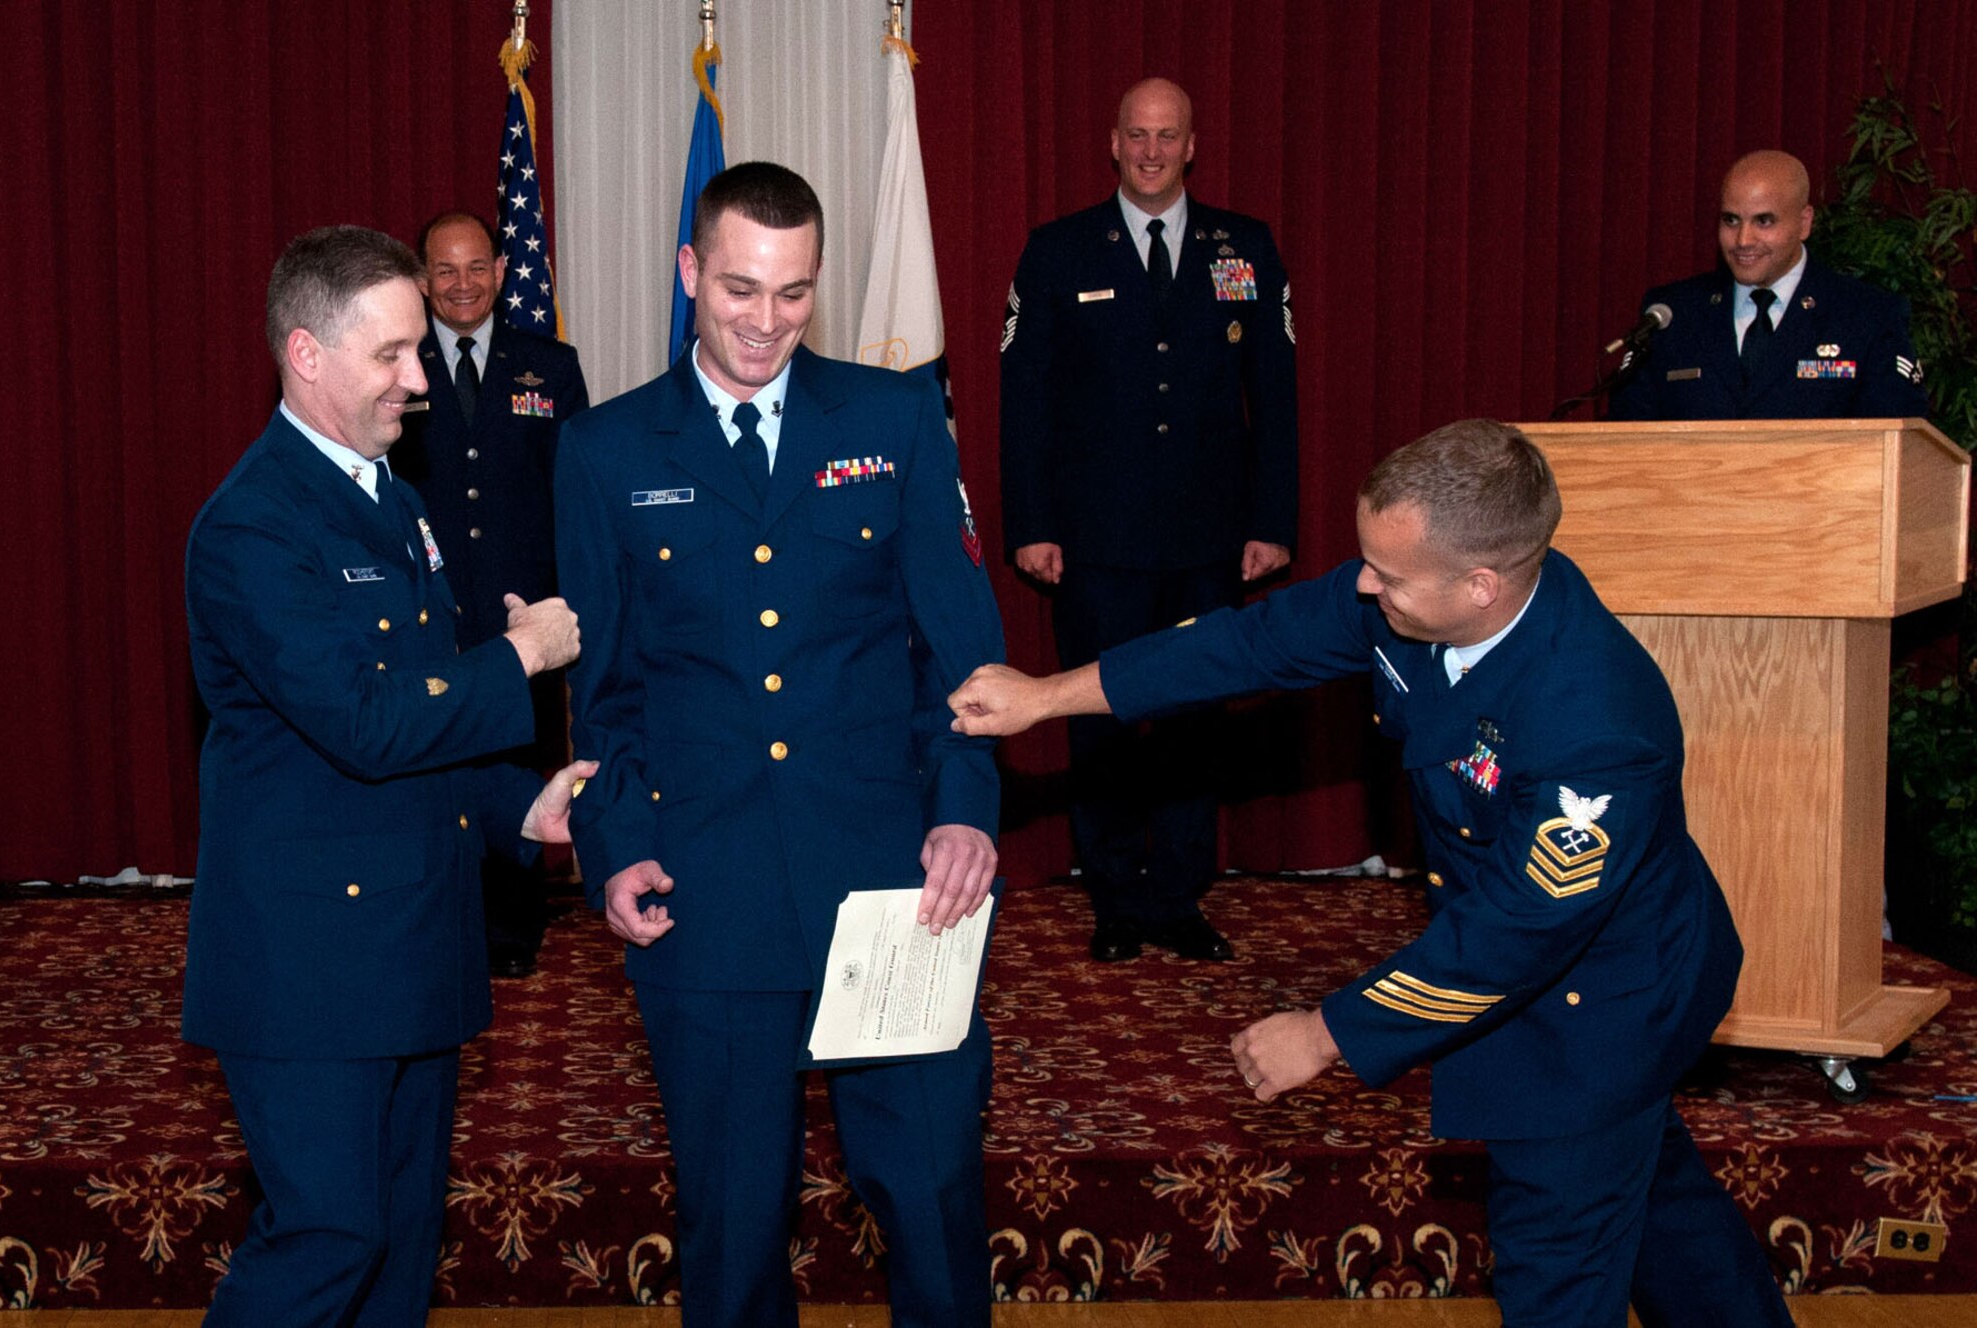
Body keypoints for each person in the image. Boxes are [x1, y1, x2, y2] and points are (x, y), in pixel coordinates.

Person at [949, 419, 1795, 1328]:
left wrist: (1325, 1033)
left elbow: (1512, 936)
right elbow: (1248, 643)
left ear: (1482, 584)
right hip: (1532, 949)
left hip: (1608, 997)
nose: (1361, 585)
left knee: (1557, 1254)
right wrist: (1046, 696)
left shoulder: (1596, 717)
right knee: (1655, 1201)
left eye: (1387, 576)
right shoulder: (1418, 599)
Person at [554, 162, 1005, 1328]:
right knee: (734, 1217)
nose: (765, 322)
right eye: (741, 289)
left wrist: (962, 804)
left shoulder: (893, 416)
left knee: (931, 1195)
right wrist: (615, 845)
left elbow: (959, 658)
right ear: (690, 272)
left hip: (892, 884)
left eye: (794, 294)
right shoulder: (605, 450)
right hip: (707, 890)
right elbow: (604, 695)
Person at [183, 224, 593, 1326]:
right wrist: (518, 656)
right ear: (307, 353)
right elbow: (364, 724)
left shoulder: (391, 502)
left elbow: (423, 726)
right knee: (328, 1233)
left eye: (419, 352)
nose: (420, 380)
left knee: (403, 1238)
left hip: (415, 935)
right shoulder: (254, 526)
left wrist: (520, 800)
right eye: (393, 356)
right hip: (311, 959)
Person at [999, 76, 1299, 963]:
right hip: (1096, 543)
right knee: (1097, 717)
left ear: (1193, 144)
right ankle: (1115, 898)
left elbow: (1274, 397)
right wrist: (1033, 524)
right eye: (1138, 135)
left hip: (1210, 541)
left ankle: (1177, 896)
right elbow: (1027, 404)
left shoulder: (1242, 247)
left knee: (1195, 716)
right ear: (1114, 141)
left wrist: (1272, 519)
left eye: (1168, 136)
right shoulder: (1058, 253)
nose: (1153, 151)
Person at [391, 210, 591, 979]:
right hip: (428, 613)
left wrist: (567, 603)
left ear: (504, 273)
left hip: (523, 618)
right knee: (432, 765)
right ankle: (440, 921)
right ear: (422, 279)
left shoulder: (551, 365)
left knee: (519, 768)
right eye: (445, 270)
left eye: (478, 267)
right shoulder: (397, 368)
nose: (463, 284)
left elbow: (572, 496)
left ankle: (511, 929)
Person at [1610, 149, 1929, 420]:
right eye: (1731, 220)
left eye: (1764, 221)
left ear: (1804, 223)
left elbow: (1898, 447)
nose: (1743, 240)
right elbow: (1626, 440)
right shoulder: (1673, 316)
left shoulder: (1866, 316)